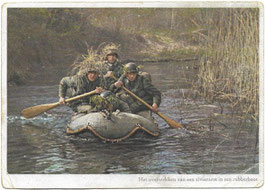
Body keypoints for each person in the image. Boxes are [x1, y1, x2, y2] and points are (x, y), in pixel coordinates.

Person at [58, 64, 130, 115]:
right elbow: (63, 81)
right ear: (87, 73)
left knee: (118, 104)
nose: (92, 75)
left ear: (98, 74)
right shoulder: (78, 79)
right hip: (79, 103)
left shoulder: (100, 80)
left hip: (93, 100)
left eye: (95, 73)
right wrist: (62, 97)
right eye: (90, 73)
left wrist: (110, 87)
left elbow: (107, 90)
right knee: (90, 109)